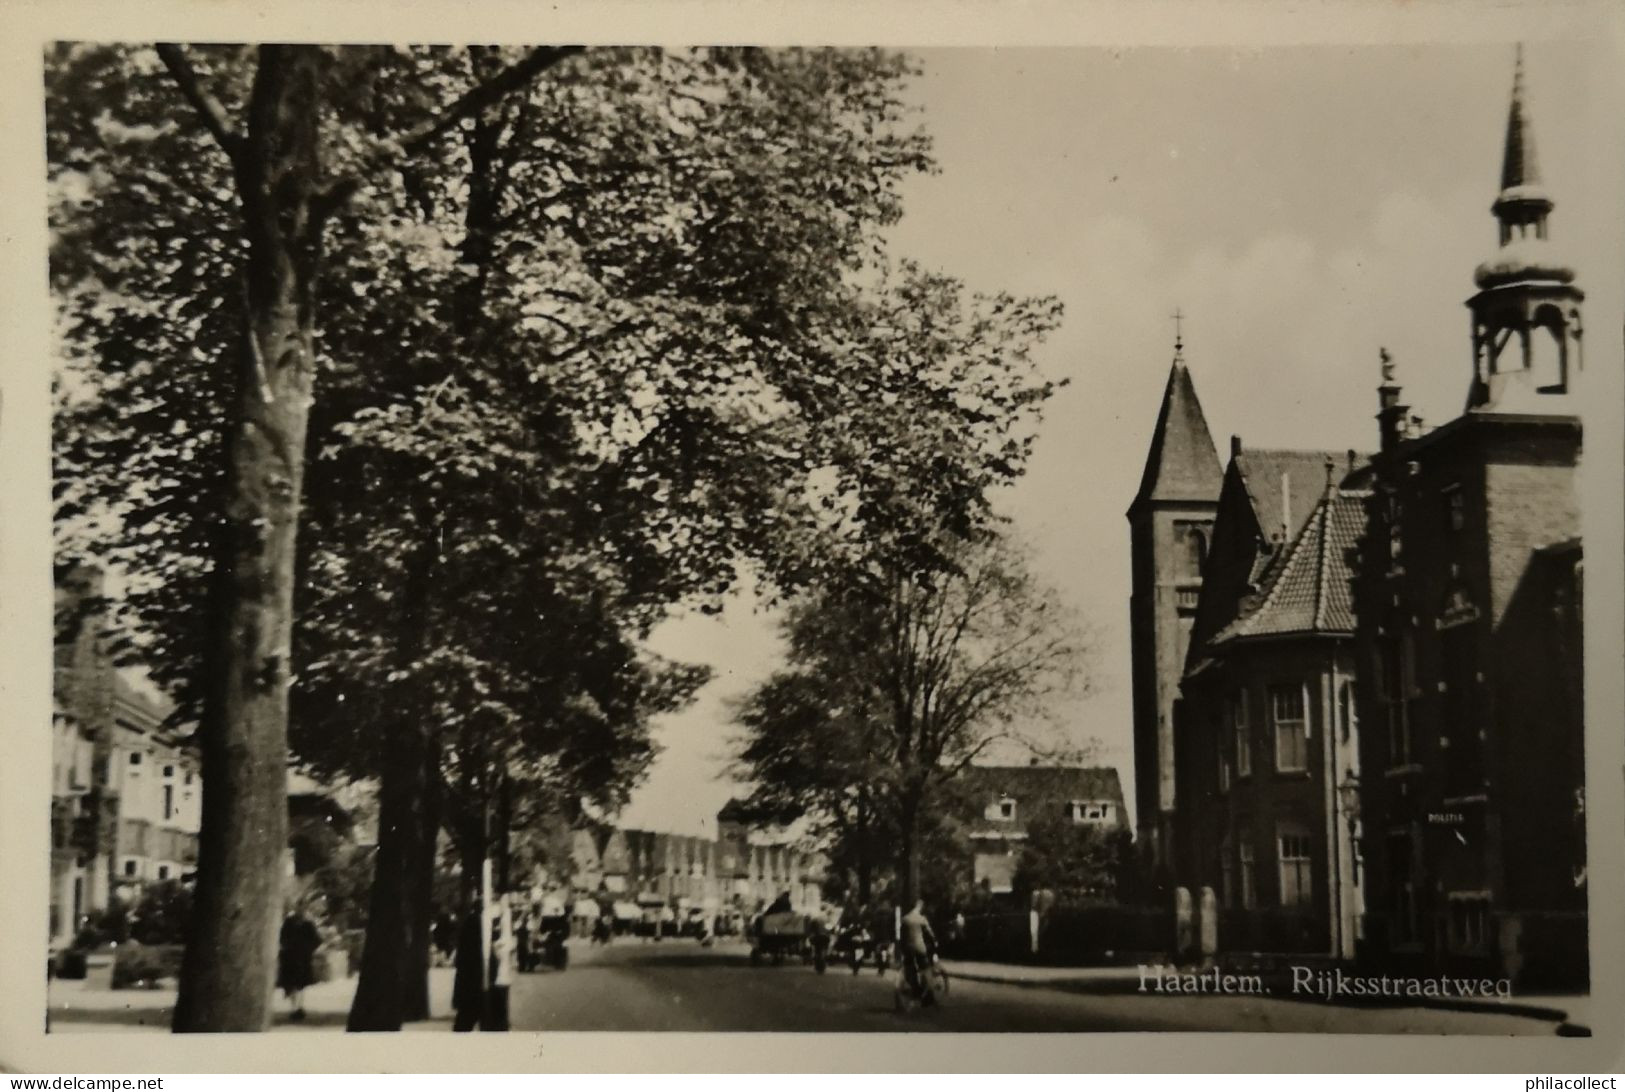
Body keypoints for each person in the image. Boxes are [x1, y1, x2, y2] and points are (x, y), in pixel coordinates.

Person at [276, 903, 322, 1021]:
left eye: (302, 908)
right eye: (299, 908)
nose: (301, 910)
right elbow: (282, 938)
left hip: (302, 958)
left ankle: (298, 1008)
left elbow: (317, 940)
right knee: (292, 984)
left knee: (300, 984)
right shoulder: (289, 922)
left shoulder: (308, 924)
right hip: (290, 958)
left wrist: (308, 949)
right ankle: (294, 1008)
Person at [898, 898, 938, 997]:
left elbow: (901, 935)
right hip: (919, 947)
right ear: (919, 907)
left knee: (909, 967)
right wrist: (935, 941)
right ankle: (929, 993)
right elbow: (929, 933)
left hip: (908, 948)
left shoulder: (905, 918)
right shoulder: (922, 919)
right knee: (925, 968)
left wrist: (902, 947)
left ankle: (914, 988)